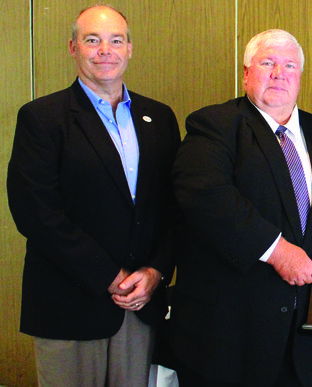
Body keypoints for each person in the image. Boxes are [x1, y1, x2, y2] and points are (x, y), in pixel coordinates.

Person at [169, 29, 312, 386]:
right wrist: (277, 252)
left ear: (300, 77)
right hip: (231, 342)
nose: (279, 73)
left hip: (311, 342)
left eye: (289, 65)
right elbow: (204, 195)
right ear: (246, 73)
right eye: (268, 63)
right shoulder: (214, 125)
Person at [6, 5, 180, 386]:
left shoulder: (160, 118)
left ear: (130, 48)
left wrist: (155, 272)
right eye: (92, 40)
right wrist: (109, 276)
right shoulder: (42, 118)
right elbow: (35, 212)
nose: (106, 50)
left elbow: (173, 209)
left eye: (116, 40)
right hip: (69, 305)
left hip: (141, 305)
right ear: (73, 48)